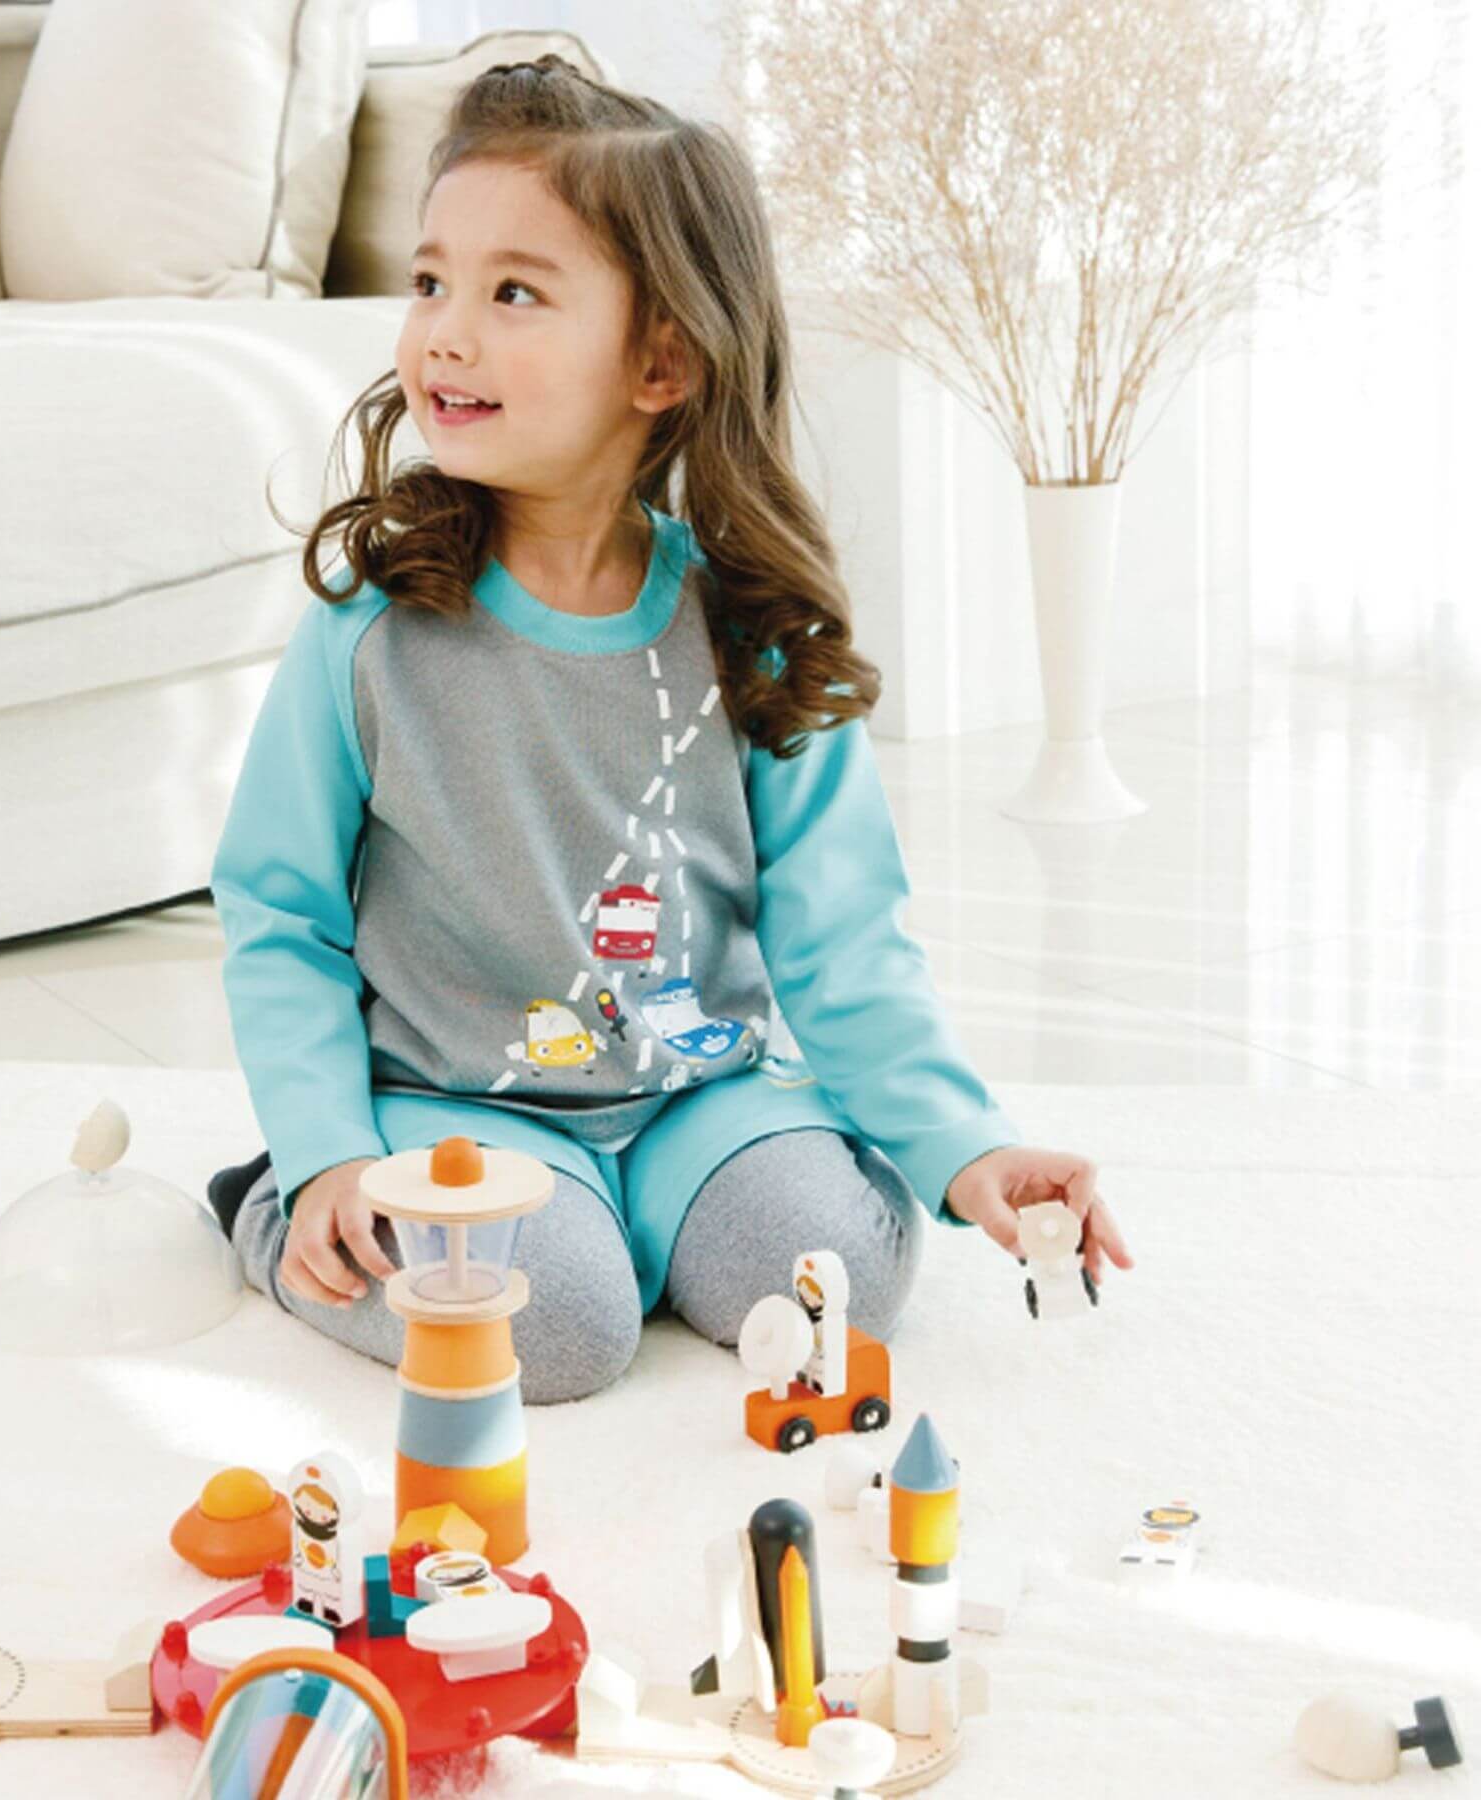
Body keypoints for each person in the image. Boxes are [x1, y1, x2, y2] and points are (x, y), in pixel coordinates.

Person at [207, 55, 1133, 1405]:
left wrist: (964, 1150)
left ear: (662, 359)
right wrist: (325, 1155)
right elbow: (280, 916)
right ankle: (268, 1217)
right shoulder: (372, 633)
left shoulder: (745, 625)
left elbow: (844, 937)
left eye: (512, 291)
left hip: (705, 1093)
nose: (444, 333)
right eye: (430, 282)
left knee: (836, 1273)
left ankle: (640, 1221)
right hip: (456, 1108)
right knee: (555, 1332)